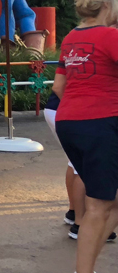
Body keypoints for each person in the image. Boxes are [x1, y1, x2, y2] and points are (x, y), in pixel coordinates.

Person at [53, 0, 118, 273]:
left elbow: (59, 87)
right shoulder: (110, 36)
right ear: (107, 4)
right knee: (99, 205)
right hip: (100, 123)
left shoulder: (71, 38)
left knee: (111, 200)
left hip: (72, 121)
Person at [42, 93, 89, 239]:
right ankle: (81, 224)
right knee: (84, 165)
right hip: (72, 112)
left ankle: (74, 213)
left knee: (75, 163)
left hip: (60, 109)